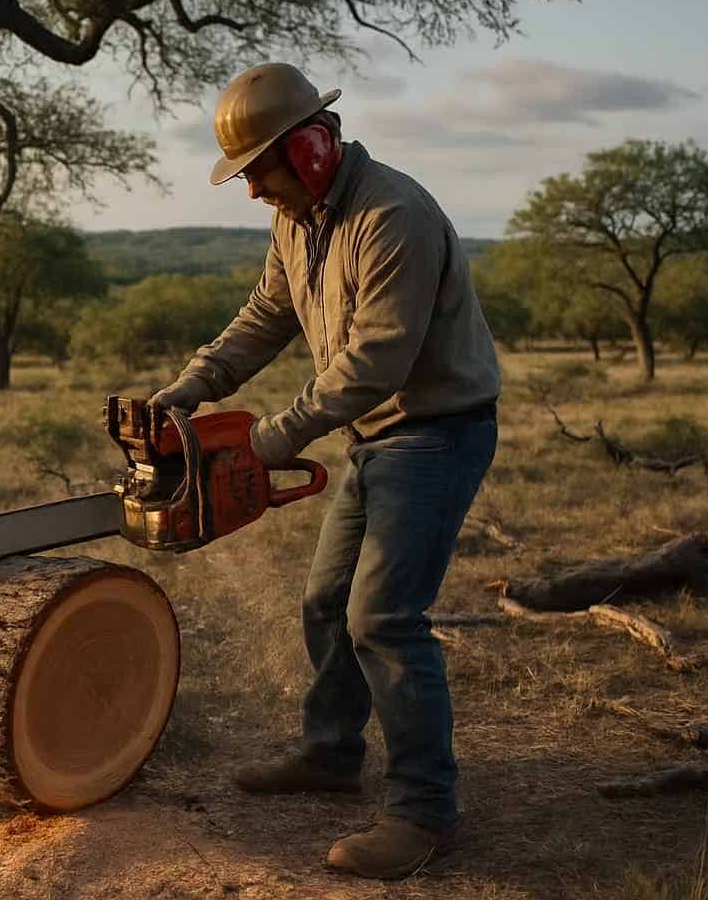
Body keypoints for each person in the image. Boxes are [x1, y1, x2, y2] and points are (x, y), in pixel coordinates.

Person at [152, 62, 501, 880]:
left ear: (309, 150)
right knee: (324, 601)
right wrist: (192, 387)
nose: (251, 193)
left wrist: (269, 440)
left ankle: (424, 811)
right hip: (376, 439)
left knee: (382, 620)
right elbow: (269, 314)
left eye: (258, 173)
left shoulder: (394, 216)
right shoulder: (297, 219)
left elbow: (376, 361)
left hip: (435, 434)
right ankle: (332, 753)